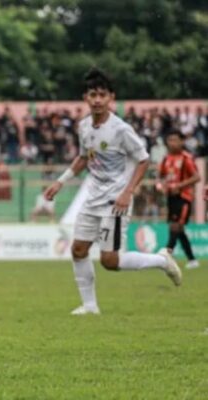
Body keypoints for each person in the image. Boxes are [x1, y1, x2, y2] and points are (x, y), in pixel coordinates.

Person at [44, 68, 182, 316]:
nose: (97, 100)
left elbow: (143, 159)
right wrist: (61, 181)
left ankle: (162, 261)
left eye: (102, 95)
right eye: (93, 94)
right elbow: (83, 157)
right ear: (85, 97)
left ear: (111, 98)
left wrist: (128, 192)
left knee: (110, 261)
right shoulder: (84, 126)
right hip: (92, 199)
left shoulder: (121, 129)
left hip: (115, 201)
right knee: (78, 250)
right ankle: (90, 306)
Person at [156, 129, 200, 269]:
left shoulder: (186, 158)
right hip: (171, 197)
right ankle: (192, 260)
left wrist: (180, 185)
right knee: (178, 230)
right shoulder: (166, 159)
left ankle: (165, 256)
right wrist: (161, 185)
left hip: (184, 197)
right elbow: (161, 176)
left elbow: (196, 177)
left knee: (175, 226)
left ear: (182, 141)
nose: (172, 143)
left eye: (175, 140)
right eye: (170, 140)